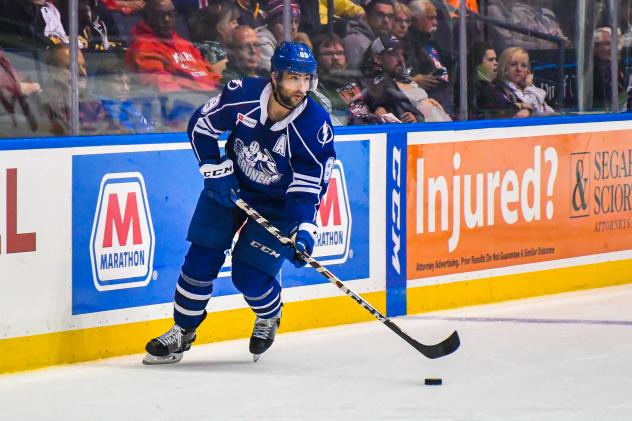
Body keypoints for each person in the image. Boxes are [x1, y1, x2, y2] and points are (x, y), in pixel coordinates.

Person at [143, 42, 336, 365]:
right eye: (293, 79)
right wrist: (214, 168)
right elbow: (201, 126)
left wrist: (302, 231)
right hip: (229, 187)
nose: (301, 88)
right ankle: (182, 331)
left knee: (248, 275)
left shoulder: (314, 126)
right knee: (200, 261)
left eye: (307, 79)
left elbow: (307, 188)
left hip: (278, 204)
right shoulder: (242, 94)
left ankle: (269, 315)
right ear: (274, 76)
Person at [125, 0, 221, 92]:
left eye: (170, 14)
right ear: (147, 17)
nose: (167, 19)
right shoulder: (143, 47)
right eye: (160, 15)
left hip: (211, 99)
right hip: (186, 103)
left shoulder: (185, 44)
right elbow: (165, 87)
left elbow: (211, 73)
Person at [363, 35, 450, 123]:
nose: (401, 59)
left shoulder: (402, 80)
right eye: (394, 54)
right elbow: (381, 113)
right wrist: (413, 121)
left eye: (401, 54)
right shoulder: (378, 85)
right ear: (378, 59)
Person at [312, 33, 375, 125]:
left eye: (339, 53)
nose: (335, 58)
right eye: (328, 53)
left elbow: (361, 116)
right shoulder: (312, 85)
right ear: (317, 57)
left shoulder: (349, 84)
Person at [405, 0, 453, 114]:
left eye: (436, 18)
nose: (436, 23)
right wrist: (412, 82)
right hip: (422, 107)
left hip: (443, 104)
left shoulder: (432, 44)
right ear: (415, 19)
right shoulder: (405, 45)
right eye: (430, 18)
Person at [257, 0, 312, 71]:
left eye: (296, 21)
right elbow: (274, 75)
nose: (294, 27)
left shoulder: (299, 40)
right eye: (288, 22)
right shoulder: (263, 42)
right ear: (272, 24)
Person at [187, 1, 239, 75]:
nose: (237, 25)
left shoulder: (229, 48)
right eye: (233, 22)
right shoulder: (211, 51)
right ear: (220, 28)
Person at [343, 0, 395, 73]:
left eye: (390, 16)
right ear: (367, 17)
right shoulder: (355, 41)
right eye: (380, 15)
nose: (386, 20)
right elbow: (354, 79)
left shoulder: (391, 41)